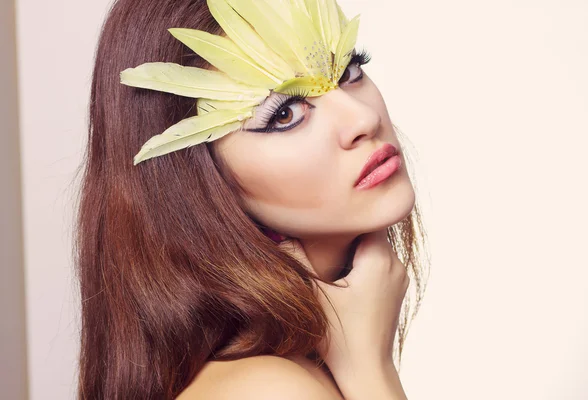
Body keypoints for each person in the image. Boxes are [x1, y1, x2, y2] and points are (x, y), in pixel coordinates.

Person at [74, 0, 430, 398]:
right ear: (199, 180)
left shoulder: (288, 366)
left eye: (347, 70)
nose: (363, 119)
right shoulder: (270, 389)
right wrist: (370, 371)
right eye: (284, 113)